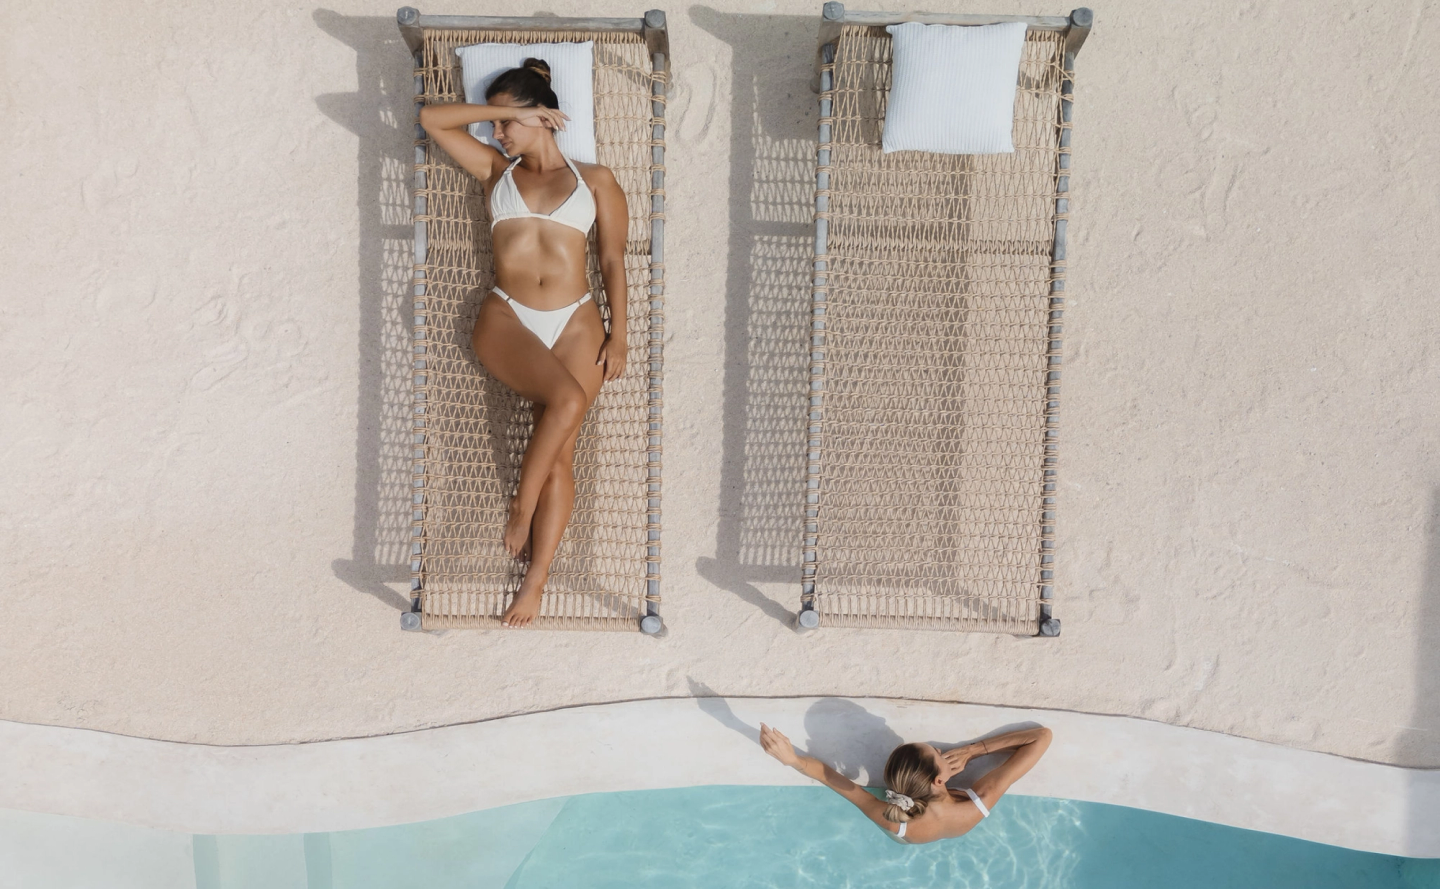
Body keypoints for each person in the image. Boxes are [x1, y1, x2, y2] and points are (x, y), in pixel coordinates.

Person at [419, 59, 629, 628]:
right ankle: (521, 505)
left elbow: (611, 257)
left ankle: (533, 582)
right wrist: (505, 111)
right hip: (507, 316)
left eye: (509, 122)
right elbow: (434, 121)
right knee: (565, 405)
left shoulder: (597, 180)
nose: (498, 134)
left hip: (577, 320)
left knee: (562, 452)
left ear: (544, 116)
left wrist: (621, 332)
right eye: (497, 122)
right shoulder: (494, 172)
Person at [759, 723, 1052, 844]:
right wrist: (974, 750)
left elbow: (831, 778)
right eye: (937, 753)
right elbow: (1041, 736)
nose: (941, 751)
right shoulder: (979, 802)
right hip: (954, 823)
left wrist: (792, 759)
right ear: (939, 779)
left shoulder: (893, 820)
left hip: (911, 836)